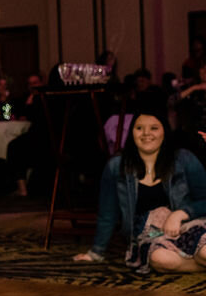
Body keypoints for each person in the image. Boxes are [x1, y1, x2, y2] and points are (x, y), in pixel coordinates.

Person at [74, 111, 206, 273]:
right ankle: (198, 264)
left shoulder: (184, 158)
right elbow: (108, 212)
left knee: (205, 253)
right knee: (161, 260)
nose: (146, 134)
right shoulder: (116, 166)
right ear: (131, 133)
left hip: (189, 226)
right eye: (139, 128)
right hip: (151, 234)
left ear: (164, 131)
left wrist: (180, 214)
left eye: (154, 128)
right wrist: (96, 251)